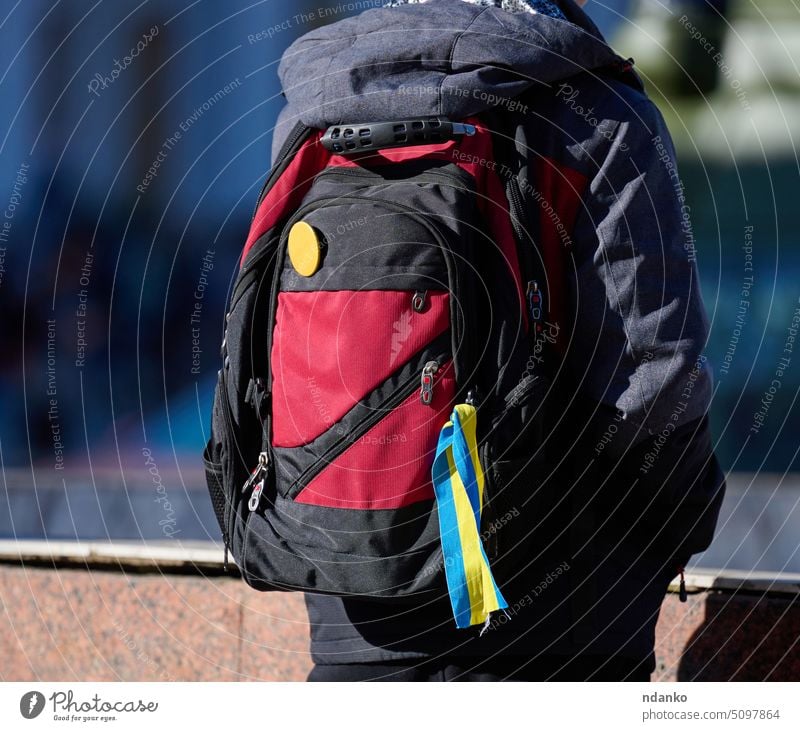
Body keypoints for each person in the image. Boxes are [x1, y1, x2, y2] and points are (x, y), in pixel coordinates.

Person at [269, 0, 726, 681]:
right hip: (562, 621)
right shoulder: (600, 113)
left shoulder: (314, 109)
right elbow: (652, 384)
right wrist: (686, 514)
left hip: (354, 609)